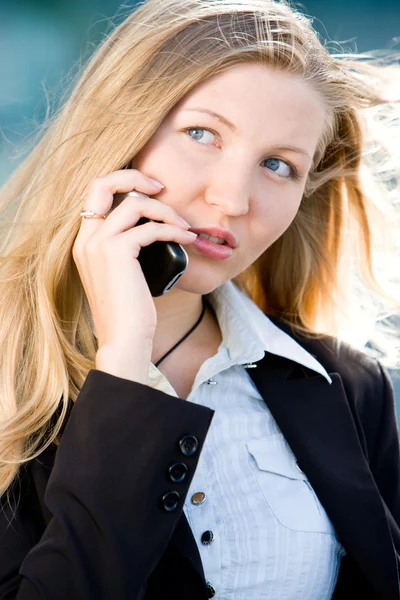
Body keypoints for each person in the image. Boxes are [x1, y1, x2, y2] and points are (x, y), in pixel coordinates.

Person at [0, 0, 399, 598]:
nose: (234, 199)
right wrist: (126, 364)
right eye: (201, 134)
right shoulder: (11, 370)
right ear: (123, 134)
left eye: (277, 165)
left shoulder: (347, 387)